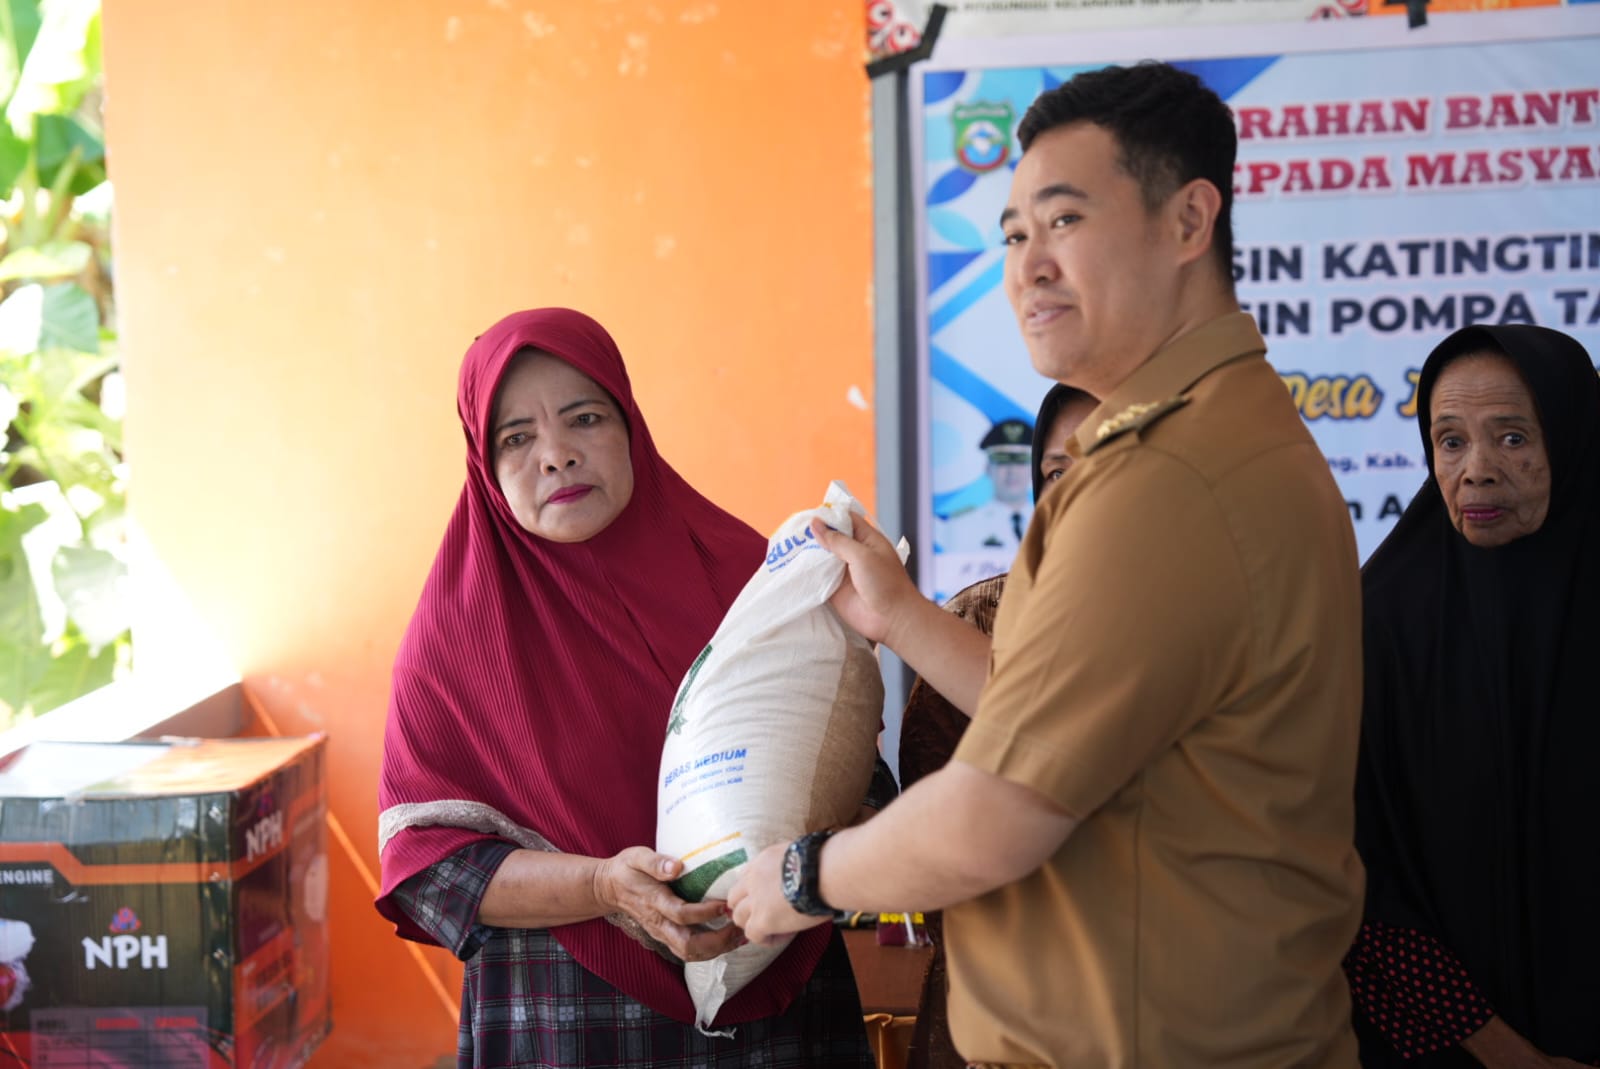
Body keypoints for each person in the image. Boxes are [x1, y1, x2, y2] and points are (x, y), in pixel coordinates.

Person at [729, 61, 1364, 1068]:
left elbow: (996, 813)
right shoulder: (1216, 435)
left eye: (1064, 220)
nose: (1028, 266)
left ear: (1188, 221)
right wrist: (899, 618)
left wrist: (805, 876)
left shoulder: (1168, 477)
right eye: (1014, 234)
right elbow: (1064, 712)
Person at [374, 308, 874, 1068]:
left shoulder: (753, 580)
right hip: (570, 1018)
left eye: (585, 418)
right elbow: (430, 868)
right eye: (517, 438)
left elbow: (852, 767)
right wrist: (606, 885)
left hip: (778, 1000)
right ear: (484, 463)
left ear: (630, 424)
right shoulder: (455, 642)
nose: (557, 455)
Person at [1346, 324, 1600, 1069]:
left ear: (1574, 439)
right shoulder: (1380, 621)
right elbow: (1355, 874)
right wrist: (1504, 1054)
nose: (1477, 472)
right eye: (1450, 441)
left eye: (1513, 437)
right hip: (1451, 1051)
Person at [898, 384, 1096, 1069]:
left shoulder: (1210, 627)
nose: (1078, 495)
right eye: (1057, 474)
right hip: (1001, 1013)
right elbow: (932, 836)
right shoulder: (978, 621)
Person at [939, 417, 1036, 553]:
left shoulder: (1052, 523)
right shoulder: (962, 526)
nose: (1012, 471)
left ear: (1033, 468)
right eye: (1002, 461)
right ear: (988, 468)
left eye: (1020, 462)